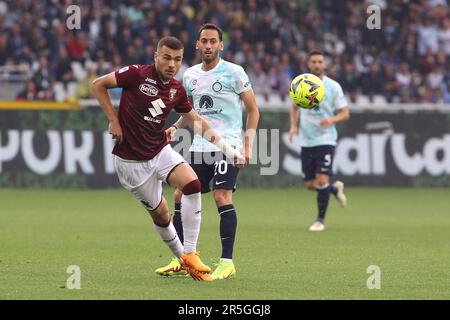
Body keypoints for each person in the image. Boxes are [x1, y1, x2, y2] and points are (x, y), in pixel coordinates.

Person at [91, 36, 244, 281]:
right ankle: (182, 257)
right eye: (167, 58)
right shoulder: (135, 74)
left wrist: (229, 150)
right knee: (161, 215)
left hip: (159, 150)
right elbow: (98, 84)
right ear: (156, 56)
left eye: (177, 59)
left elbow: (197, 121)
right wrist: (113, 119)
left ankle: (191, 254)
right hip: (132, 163)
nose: (172, 64)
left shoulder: (176, 89)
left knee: (192, 185)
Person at [156, 23, 260, 280]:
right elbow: (188, 110)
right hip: (200, 146)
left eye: (213, 41)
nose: (209, 45)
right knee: (181, 194)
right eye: (204, 41)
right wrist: (175, 127)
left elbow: (253, 110)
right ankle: (181, 258)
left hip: (229, 145)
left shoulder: (235, 72)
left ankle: (227, 261)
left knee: (221, 196)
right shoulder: (190, 75)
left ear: (221, 45)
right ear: (197, 45)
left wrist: (247, 146)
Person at [288, 50, 350, 232]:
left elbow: (346, 113)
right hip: (307, 140)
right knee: (309, 184)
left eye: (320, 61)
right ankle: (334, 189)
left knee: (321, 179)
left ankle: (320, 220)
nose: (317, 64)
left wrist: (331, 120)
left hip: (326, 138)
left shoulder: (333, 87)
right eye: (313, 61)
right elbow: (294, 107)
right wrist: (293, 126)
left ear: (325, 65)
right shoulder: (300, 83)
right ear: (308, 64)